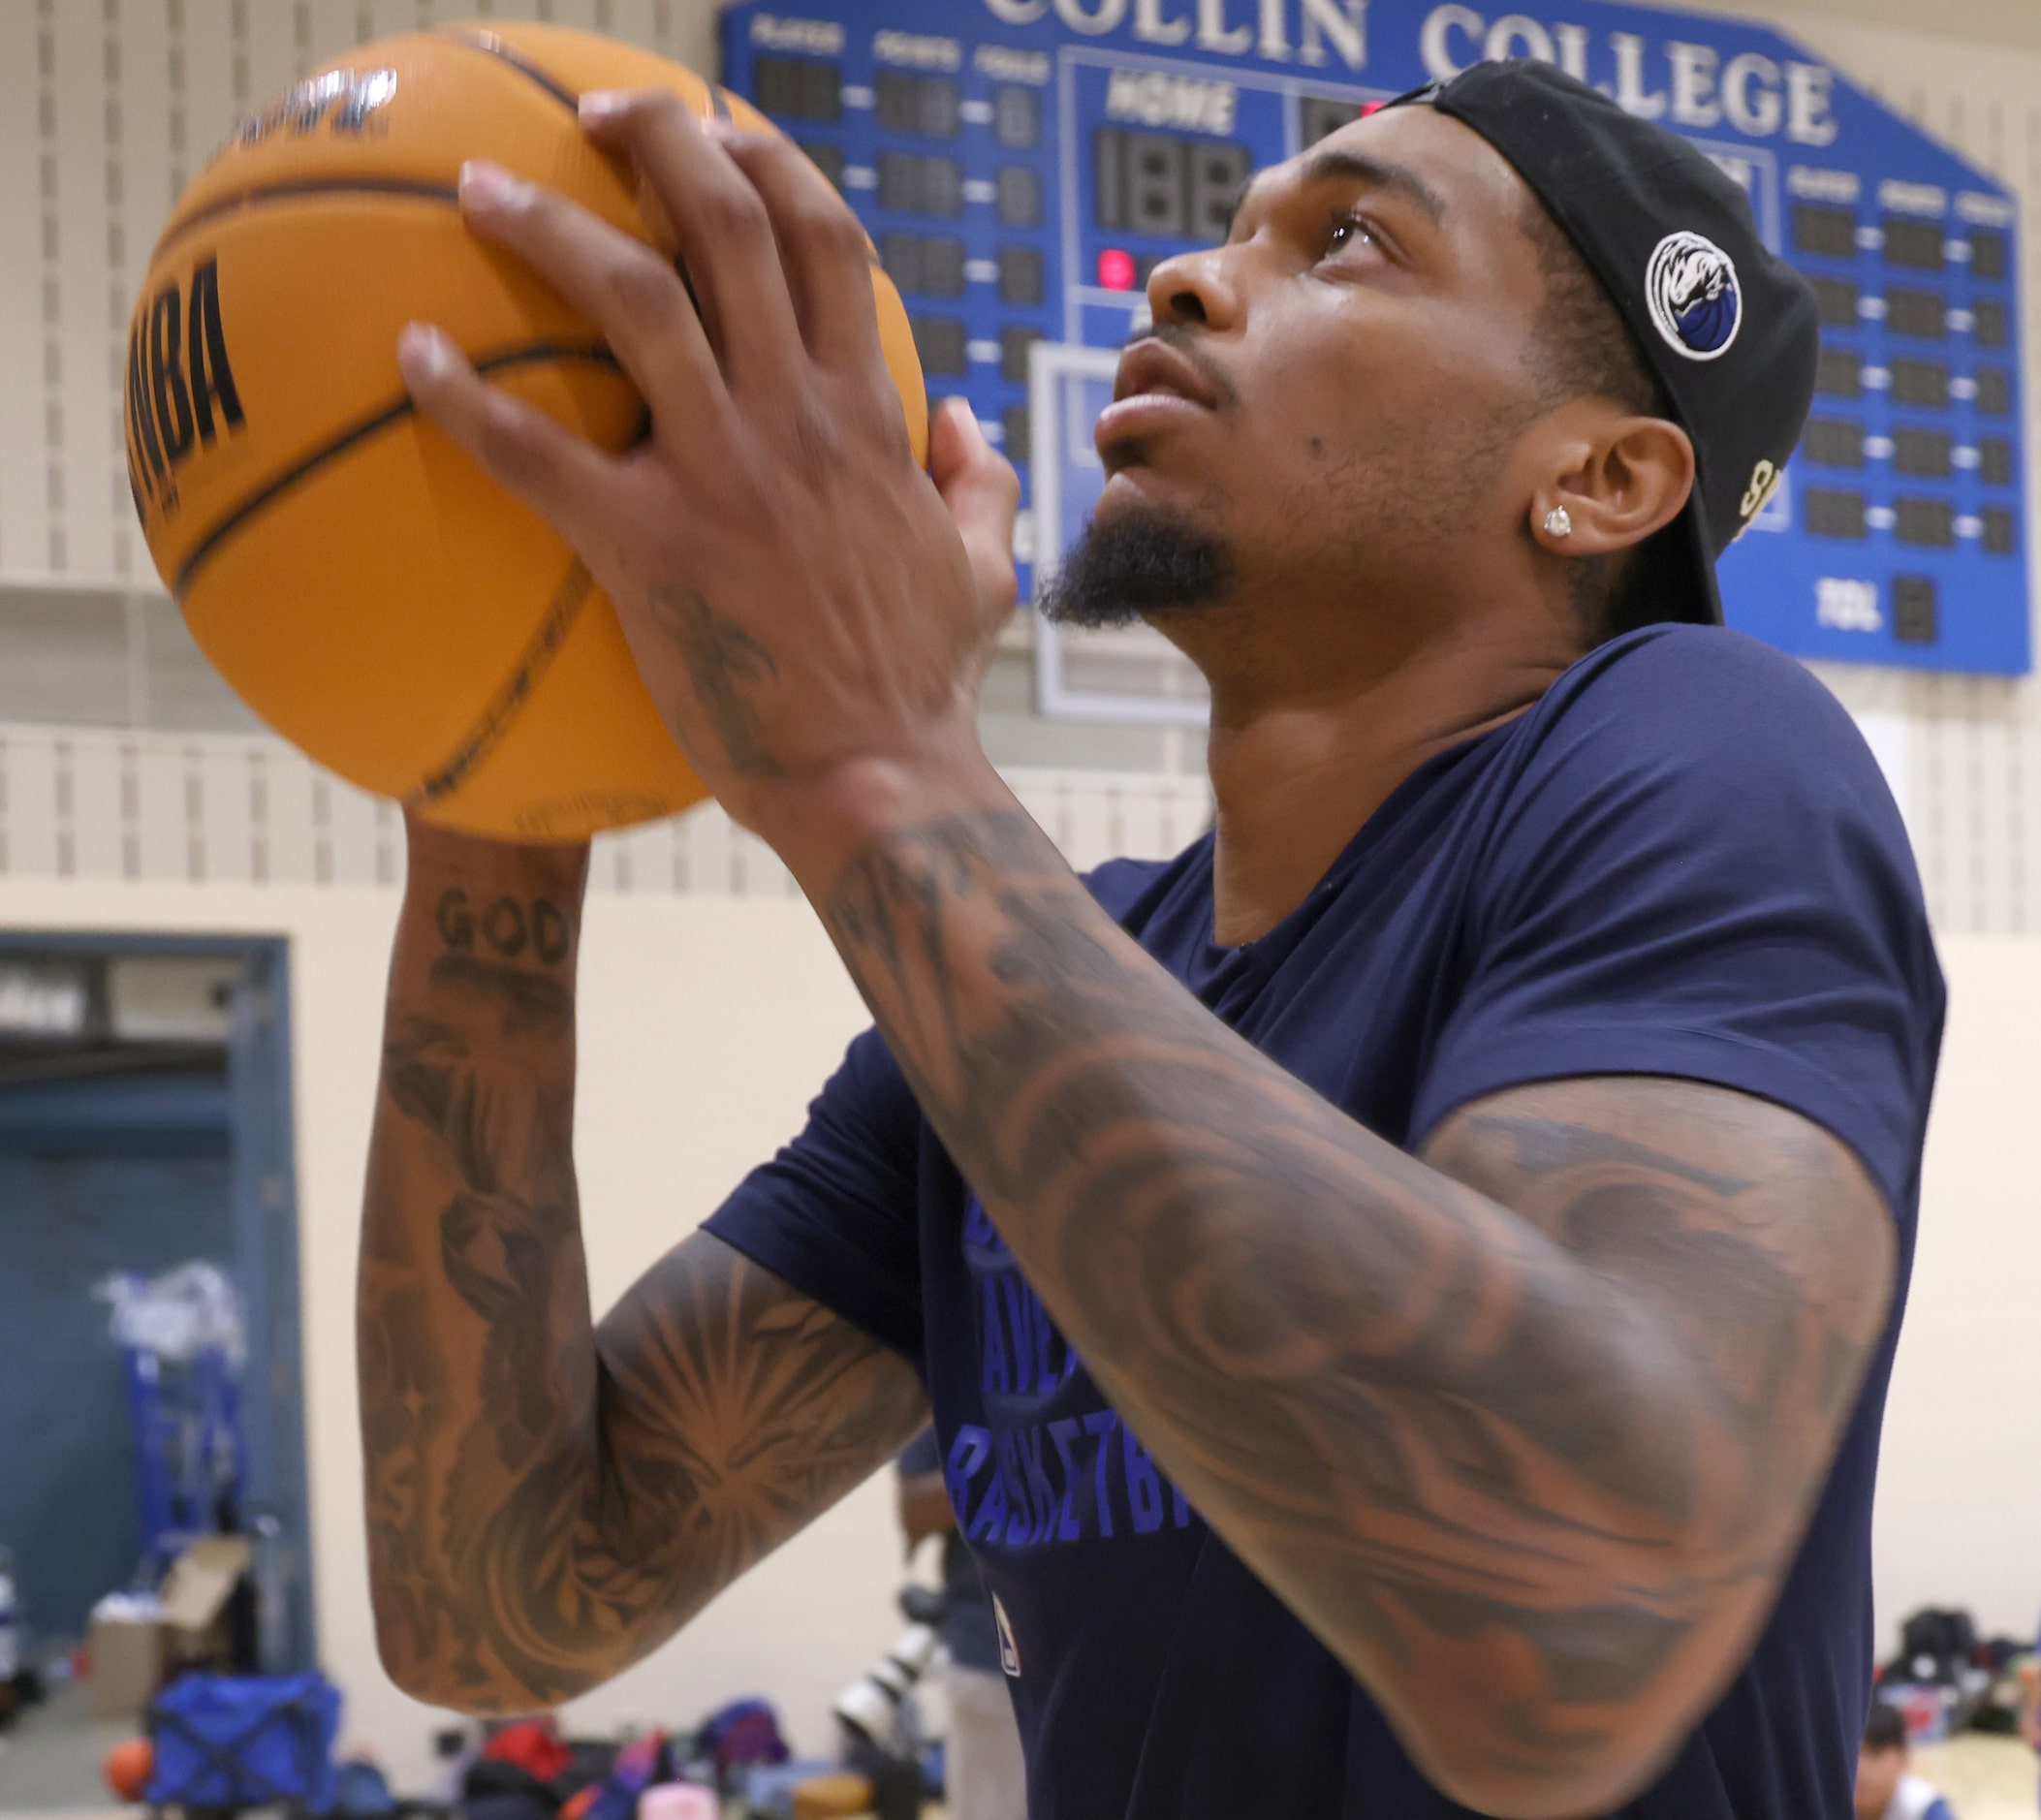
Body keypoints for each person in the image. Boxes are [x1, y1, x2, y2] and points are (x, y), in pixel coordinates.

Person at [358, 56, 1943, 1820]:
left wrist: (868, 759)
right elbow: (494, 1600)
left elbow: (1567, 1618)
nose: (1188, 278)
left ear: (1600, 475)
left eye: (1348, 243)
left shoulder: (1703, 744)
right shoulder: (1041, 983)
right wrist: (492, 792)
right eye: (1228, 228)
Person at [897, 1430, 1027, 1820]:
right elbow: (913, 1509)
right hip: (988, 1654)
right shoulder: (956, 1374)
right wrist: (1028, 1460)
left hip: (1108, 1655)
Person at [1855, 1704, 1956, 1820]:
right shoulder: (1834, 1801)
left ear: (1903, 1756)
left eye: (1874, 1753)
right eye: (1854, 1755)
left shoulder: (1924, 1807)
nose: (1860, 1768)